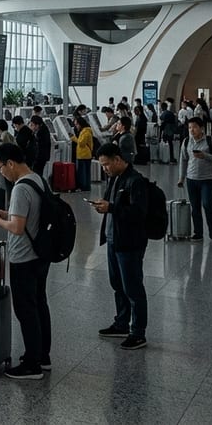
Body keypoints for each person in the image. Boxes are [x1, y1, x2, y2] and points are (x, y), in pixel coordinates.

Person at [0, 142, 53, 379]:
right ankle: (42, 355)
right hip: (40, 254)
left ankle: (32, 365)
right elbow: (25, 217)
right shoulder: (37, 179)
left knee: (26, 310)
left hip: (23, 257)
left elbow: (16, 227)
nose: (1, 172)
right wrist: (8, 214)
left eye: (0, 167)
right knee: (39, 304)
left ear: (11, 163)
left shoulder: (19, 189)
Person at [91, 143, 149, 350]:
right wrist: (104, 206)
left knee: (133, 288)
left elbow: (138, 213)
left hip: (129, 243)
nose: (104, 169)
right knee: (117, 284)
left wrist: (112, 208)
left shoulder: (135, 181)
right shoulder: (114, 178)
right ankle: (122, 323)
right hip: (114, 239)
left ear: (117, 159)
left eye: (106, 164)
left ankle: (138, 332)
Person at [177, 117, 212, 241]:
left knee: (207, 204)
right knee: (195, 207)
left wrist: (205, 156)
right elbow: (183, 160)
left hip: (207, 179)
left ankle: (211, 226)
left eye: (195, 127)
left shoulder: (210, 140)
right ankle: (198, 233)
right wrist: (181, 178)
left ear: (201, 128)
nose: (192, 130)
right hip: (191, 179)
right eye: (190, 127)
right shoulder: (186, 142)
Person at [69, 116, 94, 192]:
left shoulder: (85, 131)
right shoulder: (87, 130)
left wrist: (73, 138)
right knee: (86, 172)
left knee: (82, 172)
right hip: (87, 154)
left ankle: (83, 187)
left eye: (76, 124)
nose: (76, 126)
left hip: (83, 155)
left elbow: (81, 143)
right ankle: (86, 187)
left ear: (80, 124)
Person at [31, 116, 52, 180]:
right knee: (39, 173)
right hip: (44, 157)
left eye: (32, 125)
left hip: (40, 157)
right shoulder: (44, 129)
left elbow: (38, 146)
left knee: (37, 174)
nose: (31, 127)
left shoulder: (40, 133)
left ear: (37, 125)